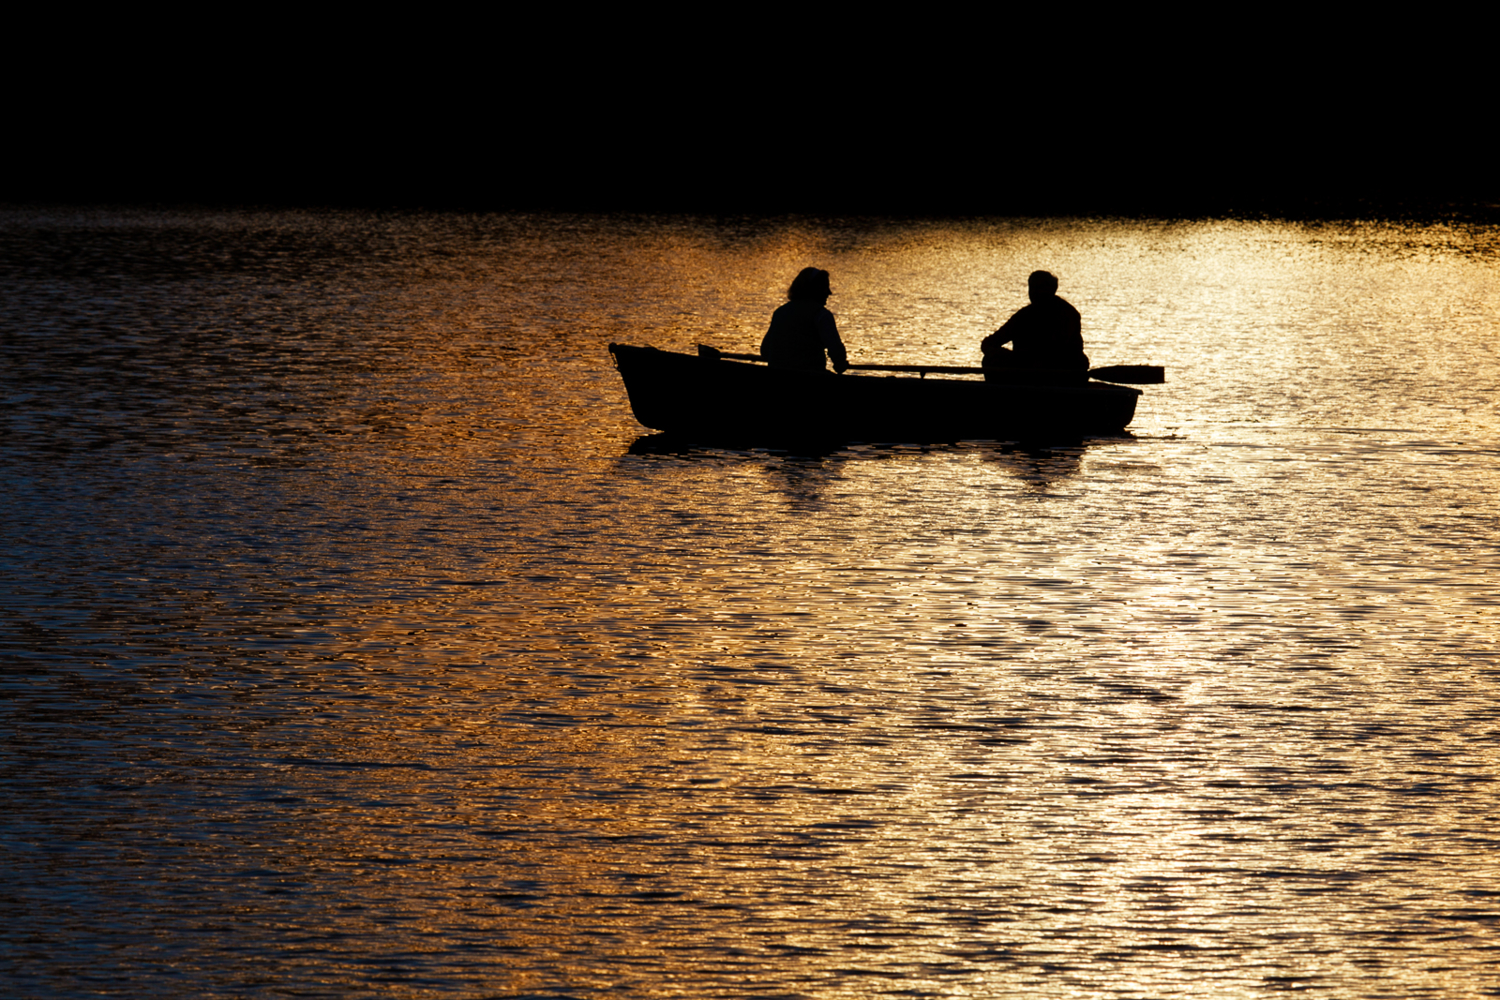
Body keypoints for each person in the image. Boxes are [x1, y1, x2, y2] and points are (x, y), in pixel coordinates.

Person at [981, 270, 1089, 377]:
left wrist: (1021, 358)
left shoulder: (1067, 314)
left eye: (1040, 288)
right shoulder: (1023, 315)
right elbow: (990, 342)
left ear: (1052, 290)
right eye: (1032, 288)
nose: (1035, 292)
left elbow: (1054, 349)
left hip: (1060, 370)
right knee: (990, 359)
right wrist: (999, 353)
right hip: (1026, 369)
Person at [760, 267, 849, 373]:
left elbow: (765, 351)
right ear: (815, 289)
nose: (829, 293)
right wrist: (840, 364)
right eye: (825, 287)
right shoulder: (821, 315)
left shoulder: (780, 312)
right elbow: (837, 353)